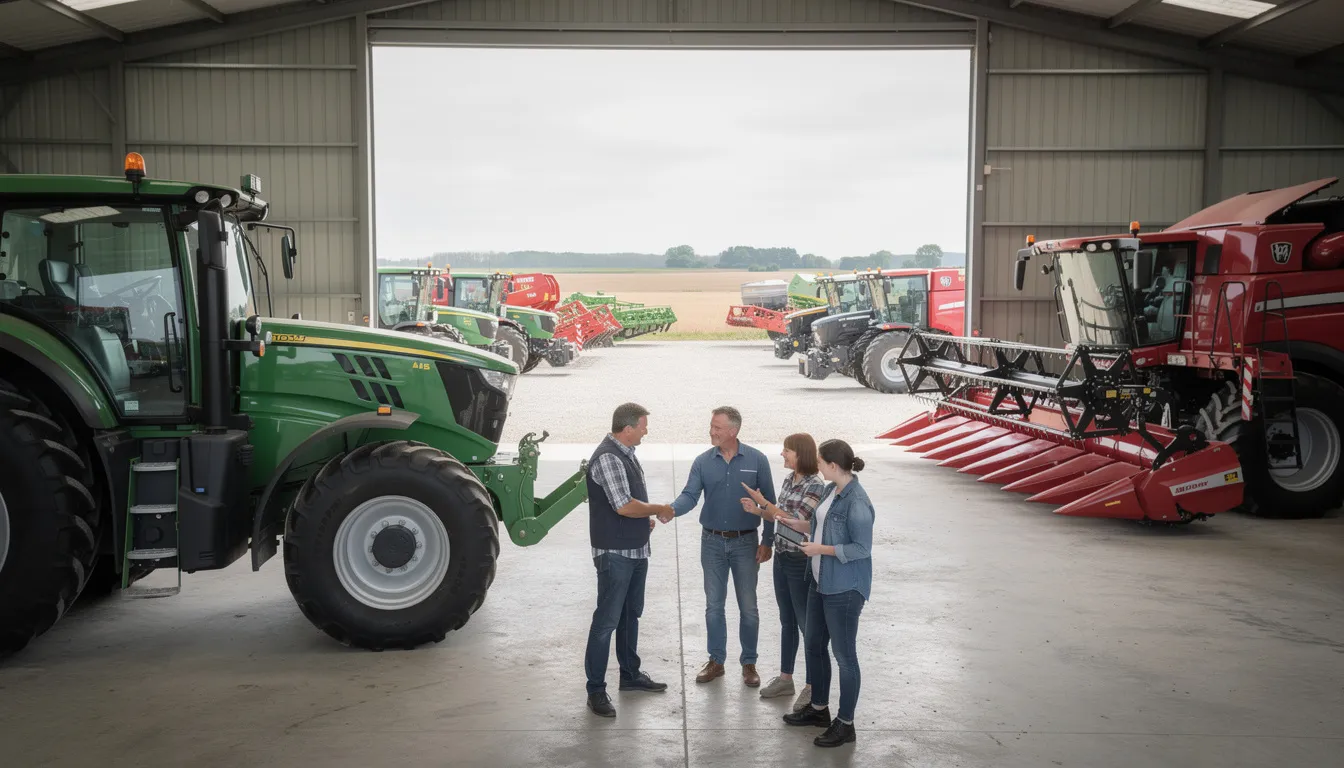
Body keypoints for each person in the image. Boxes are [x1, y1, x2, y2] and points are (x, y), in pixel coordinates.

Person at [660, 406, 776, 687]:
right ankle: (716, 661)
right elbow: (689, 496)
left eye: (717, 428)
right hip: (711, 542)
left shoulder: (757, 460)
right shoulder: (702, 462)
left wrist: (767, 541)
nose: (711, 431)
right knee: (714, 606)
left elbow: (770, 504)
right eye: (711, 426)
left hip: (746, 543)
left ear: (733, 431)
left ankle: (749, 663)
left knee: (748, 607)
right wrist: (670, 510)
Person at [583, 402, 676, 718]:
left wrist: (643, 520)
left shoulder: (626, 455)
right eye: (643, 425)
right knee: (606, 621)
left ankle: (629, 675)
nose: (646, 430)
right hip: (615, 554)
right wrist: (657, 508)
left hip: (635, 549)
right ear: (628, 428)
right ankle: (596, 690)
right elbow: (623, 505)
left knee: (629, 615)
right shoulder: (609, 457)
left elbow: (626, 507)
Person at [782, 438, 873, 749]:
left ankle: (845, 724)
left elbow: (861, 548)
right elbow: (820, 524)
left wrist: (820, 549)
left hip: (844, 589)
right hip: (820, 581)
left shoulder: (857, 501)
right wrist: (797, 524)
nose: (817, 467)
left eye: (821, 463)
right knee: (815, 644)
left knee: (845, 656)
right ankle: (819, 709)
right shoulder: (829, 489)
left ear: (834, 466)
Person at [740, 433, 829, 714]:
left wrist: (764, 503)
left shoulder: (816, 485)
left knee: (807, 627)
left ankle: (813, 687)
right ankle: (786, 678)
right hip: (782, 556)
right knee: (786, 620)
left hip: (800, 561)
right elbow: (780, 519)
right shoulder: (790, 480)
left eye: (787, 451)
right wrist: (759, 509)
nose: (782, 454)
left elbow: (797, 522)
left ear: (800, 454)